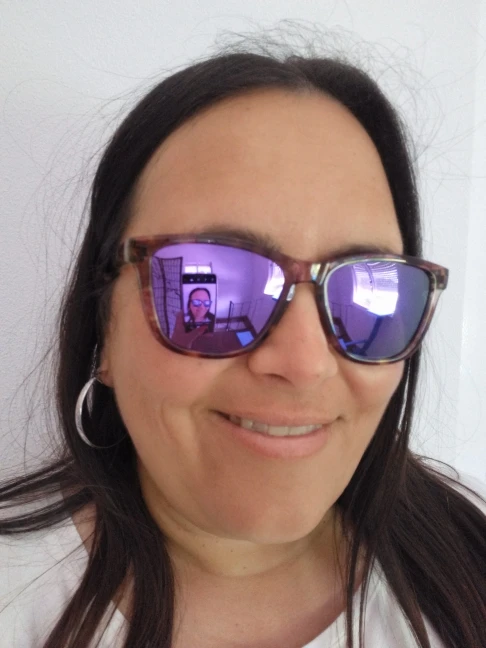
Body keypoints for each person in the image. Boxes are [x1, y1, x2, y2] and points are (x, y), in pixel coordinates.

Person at [0, 48, 485, 648]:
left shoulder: (471, 561)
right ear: (103, 330)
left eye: (368, 289)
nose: (306, 364)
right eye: (214, 279)